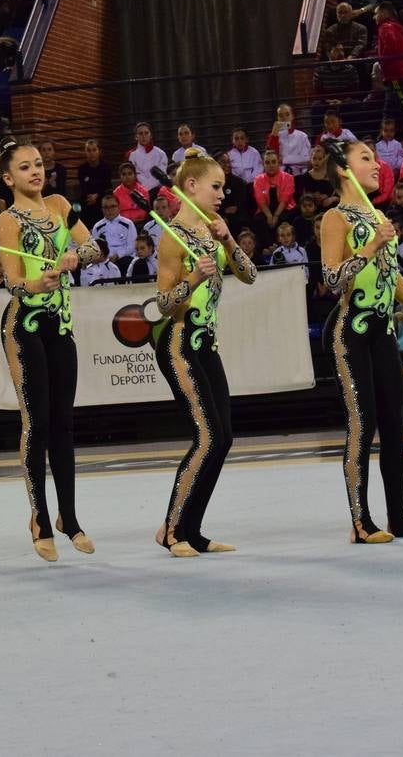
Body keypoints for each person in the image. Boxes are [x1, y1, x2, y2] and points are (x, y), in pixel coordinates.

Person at [318, 139, 403, 543]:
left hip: (383, 333)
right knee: (362, 425)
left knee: (394, 426)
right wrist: (370, 246)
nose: (377, 164)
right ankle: (360, 521)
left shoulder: (376, 214)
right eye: (365, 157)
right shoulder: (336, 218)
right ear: (343, 169)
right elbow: (331, 278)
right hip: (351, 333)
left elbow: (391, 275)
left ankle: (398, 516)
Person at [0, 141, 104, 561]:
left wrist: (78, 255)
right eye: (24, 167)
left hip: (60, 324)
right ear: (9, 178)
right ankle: (39, 518)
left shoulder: (59, 205)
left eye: (38, 164)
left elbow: (94, 247)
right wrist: (36, 284)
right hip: (25, 326)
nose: (35, 171)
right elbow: (12, 281)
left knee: (64, 423)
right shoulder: (8, 220)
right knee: (36, 423)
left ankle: (69, 518)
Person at [151, 151, 258, 557]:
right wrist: (194, 278)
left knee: (224, 438)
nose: (221, 194)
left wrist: (228, 240)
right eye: (215, 186)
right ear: (190, 186)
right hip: (179, 342)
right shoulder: (170, 235)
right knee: (207, 436)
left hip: (205, 344)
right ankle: (172, 530)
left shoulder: (213, 231)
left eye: (223, 187)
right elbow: (162, 303)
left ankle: (192, 529)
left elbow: (250, 275)